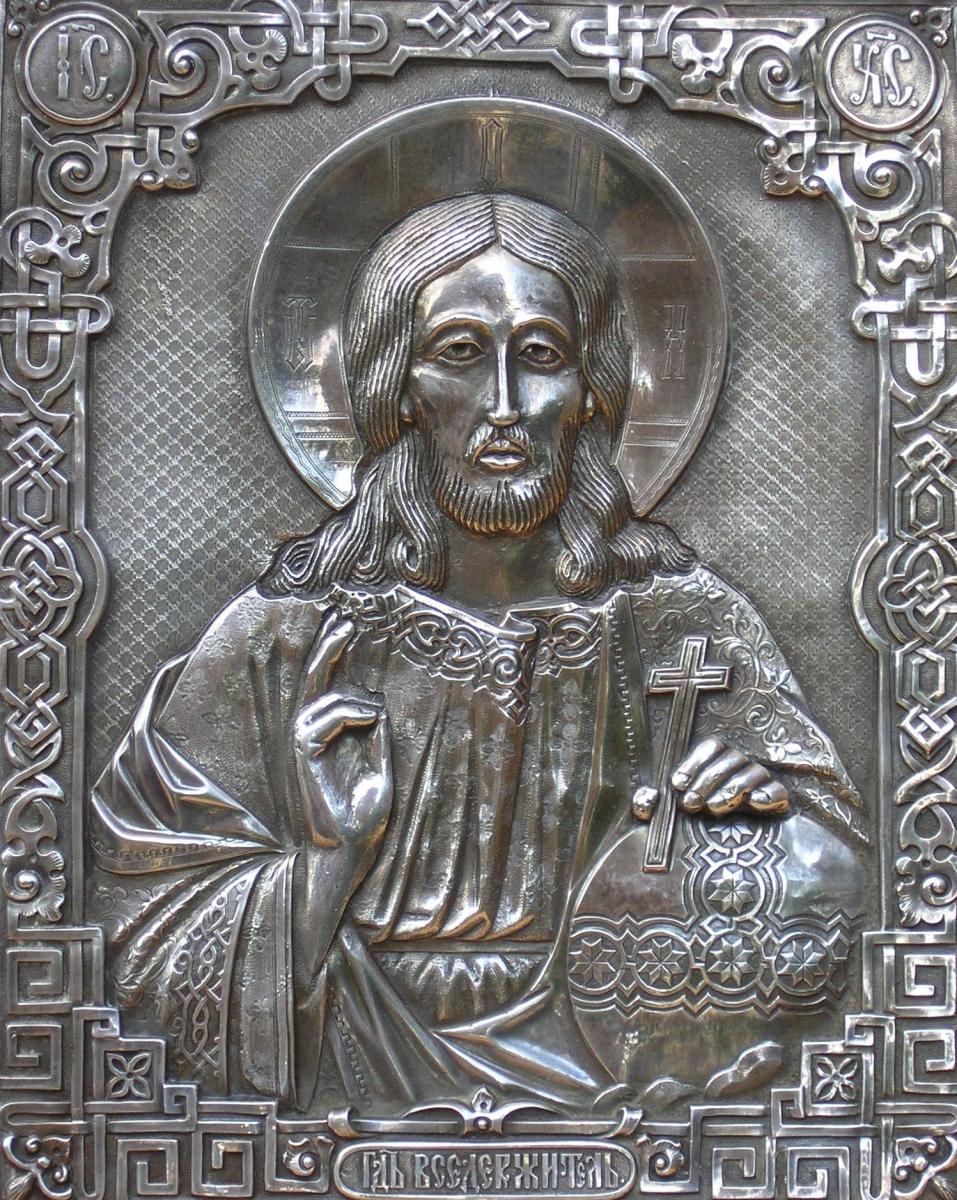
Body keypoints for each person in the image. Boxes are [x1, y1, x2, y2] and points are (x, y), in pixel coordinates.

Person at [90, 192, 865, 1114]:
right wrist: (328, 863)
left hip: (627, 1082)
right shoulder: (285, 637)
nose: (503, 405)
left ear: (588, 391)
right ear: (399, 388)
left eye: (539, 355)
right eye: (458, 353)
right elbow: (133, 949)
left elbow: (865, 911)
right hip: (353, 1082)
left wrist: (761, 831)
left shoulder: (684, 622)